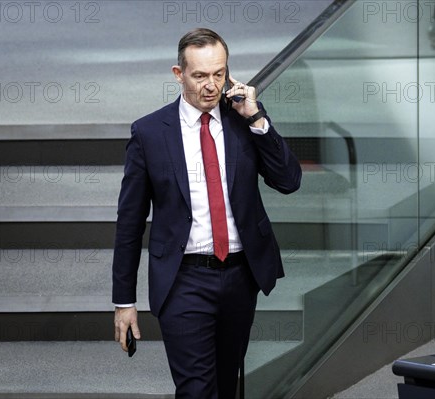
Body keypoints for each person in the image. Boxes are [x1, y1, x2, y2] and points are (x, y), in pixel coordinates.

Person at [112, 28, 302, 398]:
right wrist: (124, 301)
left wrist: (256, 117)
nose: (211, 85)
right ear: (178, 74)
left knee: (226, 386)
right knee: (197, 390)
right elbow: (129, 223)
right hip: (184, 279)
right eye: (200, 76)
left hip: (239, 276)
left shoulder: (243, 122)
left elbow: (289, 181)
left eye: (219, 74)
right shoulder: (150, 133)